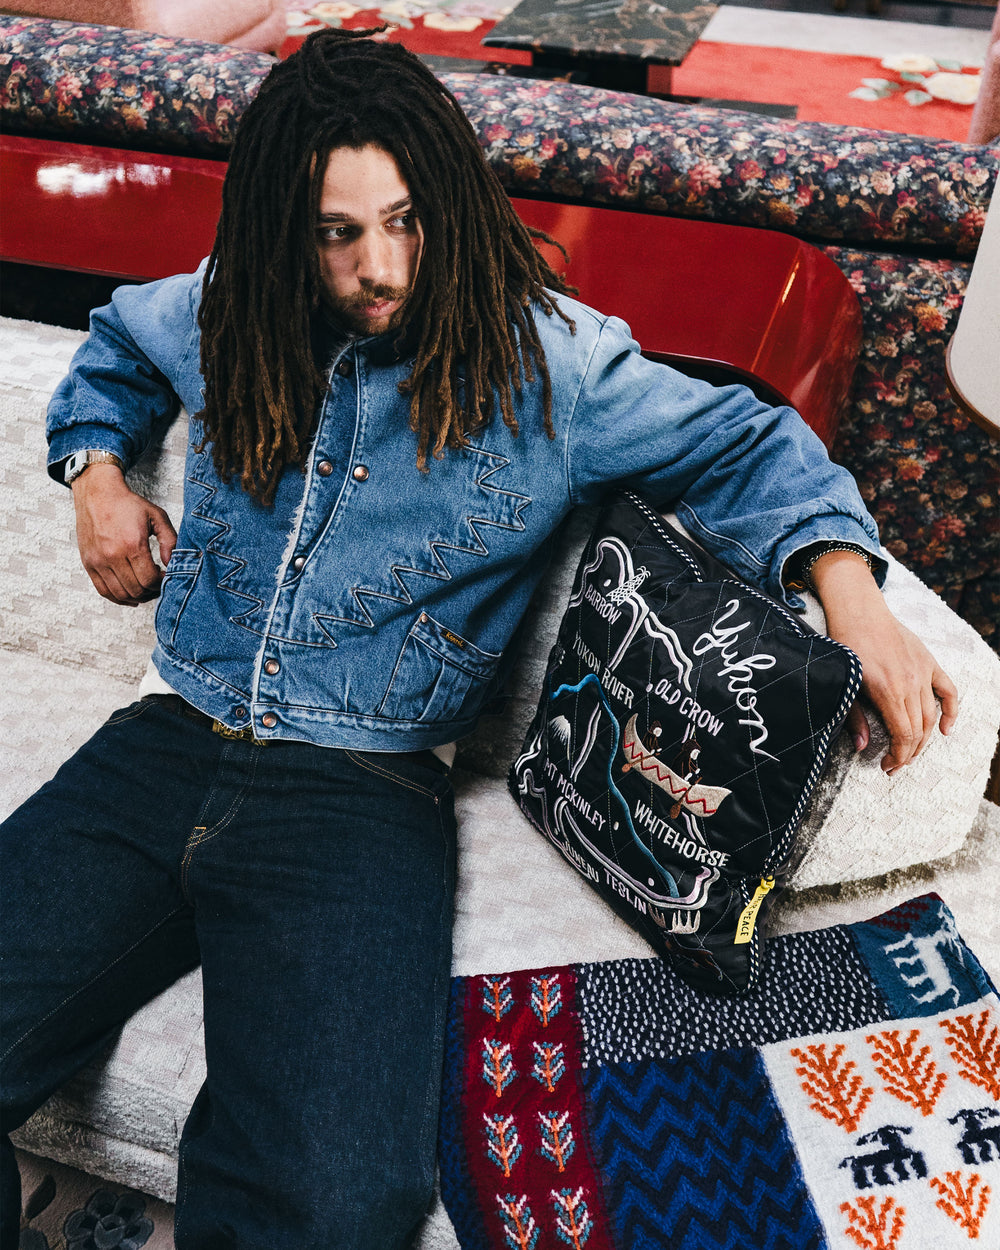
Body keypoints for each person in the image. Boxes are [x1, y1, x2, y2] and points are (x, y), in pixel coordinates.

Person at [0, 26, 958, 1250]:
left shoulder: (551, 366)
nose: (379, 267)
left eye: (405, 221)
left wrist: (853, 599)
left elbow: (750, 444)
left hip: (357, 791)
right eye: (336, 234)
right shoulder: (231, 302)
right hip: (164, 736)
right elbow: (122, 343)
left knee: (335, 1199)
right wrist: (93, 475)